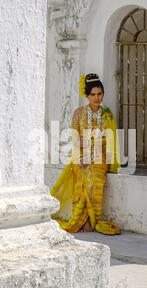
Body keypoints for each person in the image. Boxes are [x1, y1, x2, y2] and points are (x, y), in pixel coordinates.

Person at [50, 73, 121, 235]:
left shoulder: (107, 113)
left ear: (103, 94)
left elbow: (109, 139)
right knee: (81, 180)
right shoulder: (78, 113)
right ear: (87, 95)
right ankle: (79, 220)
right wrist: (82, 155)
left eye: (99, 94)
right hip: (80, 156)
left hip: (99, 157)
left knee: (95, 179)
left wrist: (94, 145)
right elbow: (75, 140)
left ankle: (91, 220)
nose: (96, 98)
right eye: (92, 94)